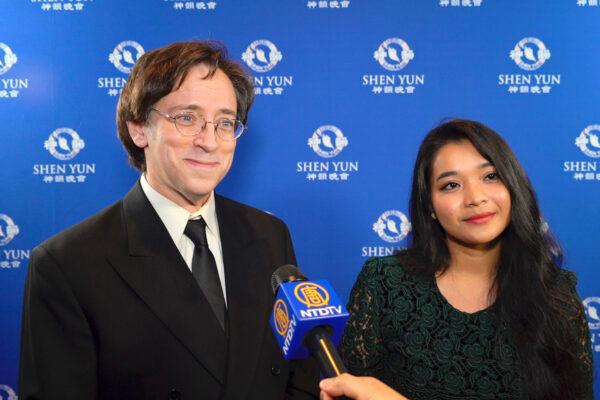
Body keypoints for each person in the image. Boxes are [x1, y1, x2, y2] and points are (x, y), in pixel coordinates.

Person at [19, 41, 318, 400]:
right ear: (138, 129)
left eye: (225, 123)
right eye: (187, 118)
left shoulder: (270, 235)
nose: (209, 141)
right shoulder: (66, 265)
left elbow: (301, 378)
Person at [340, 119, 593, 400]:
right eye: (450, 185)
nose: (475, 197)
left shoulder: (556, 296)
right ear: (430, 207)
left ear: (513, 186)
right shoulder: (385, 284)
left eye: (490, 176)